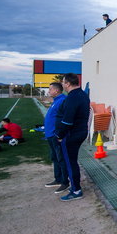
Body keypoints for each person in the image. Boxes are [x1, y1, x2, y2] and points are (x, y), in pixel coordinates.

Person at [55, 73, 90, 201]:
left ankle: (76, 190)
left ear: (68, 83)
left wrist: (59, 135)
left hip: (72, 135)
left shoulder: (72, 97)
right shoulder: (83, 95)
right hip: (80, 132)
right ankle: (75, 187)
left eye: (63, 82)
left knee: (70, 163)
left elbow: (67, 121)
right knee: (72, 162)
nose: (62, 84)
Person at [44, 82, 69, 193]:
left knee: (61, 159)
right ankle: (58, 179)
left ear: (56, 90)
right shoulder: (56, 101)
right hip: (50, 135)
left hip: (56, 136)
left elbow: (64, 119)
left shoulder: (62, 101)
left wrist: (59, 134)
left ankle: (65, 182)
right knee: (55, 158)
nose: (49, 91)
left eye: (50, 89)